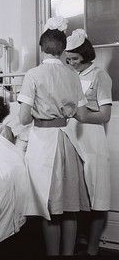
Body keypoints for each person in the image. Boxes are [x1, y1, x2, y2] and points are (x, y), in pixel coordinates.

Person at [18, 17, 90, 256]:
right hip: (67, 140)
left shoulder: (33, 74)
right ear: (62, 50)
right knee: (69, 206)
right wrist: (65, 110)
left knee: (50, 206)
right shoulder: (72, 75)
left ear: (41, 48)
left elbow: (23, 118)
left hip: (44, 142)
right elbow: (80, 113)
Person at [65, 29, 112, 256]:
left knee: (97, 193)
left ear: (85, 55)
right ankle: (75, 244)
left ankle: (93, 248)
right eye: (69, 59)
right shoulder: (70, 76)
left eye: (75, 58)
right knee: (76, 193)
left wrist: (81, 116)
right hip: (72, 135)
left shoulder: (99, 76)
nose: (72, 63)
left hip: (92, 137)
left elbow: (105, 115)